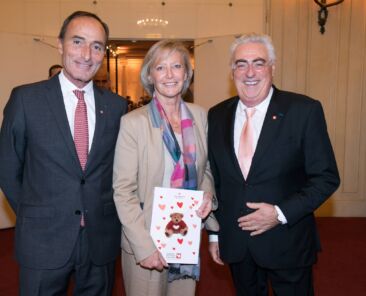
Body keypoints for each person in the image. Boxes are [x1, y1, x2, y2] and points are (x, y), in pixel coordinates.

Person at [0, 11, 128, 295]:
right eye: (78, 42)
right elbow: (8, 169)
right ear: (60, 44)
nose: (87, 54)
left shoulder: (118, 106)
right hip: (43, 239)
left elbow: (119, 171)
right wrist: (35, 216)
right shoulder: (26, 99)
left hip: (100, 240)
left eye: (97, 46)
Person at [207, 33, 340, 296]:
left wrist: (279, 213)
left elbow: (326, 178)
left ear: (273, 68)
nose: (250, 72)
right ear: (232, 71)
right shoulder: (217, 115)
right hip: (237, 243)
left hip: (287, 241)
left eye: (259, 63)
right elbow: (217, 180)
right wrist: (214, 234)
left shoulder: (304, 110)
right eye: (241, 64)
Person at [113, 40, 218, 296]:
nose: (170, 75)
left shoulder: (200, 116)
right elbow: (123, 190)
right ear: (150, 75)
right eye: (161, 68)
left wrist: (206, 194)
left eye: (177, 66)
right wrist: (143, 246)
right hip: (146, 240)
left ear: (186, 73)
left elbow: (205, 170)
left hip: (185, 235)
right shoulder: (132, 123)